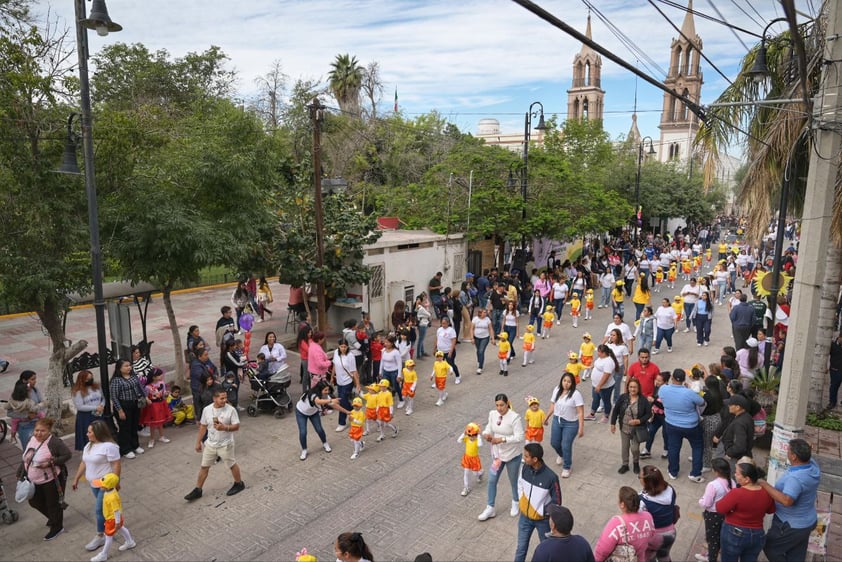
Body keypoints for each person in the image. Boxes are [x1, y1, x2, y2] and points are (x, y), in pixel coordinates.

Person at [760, 439, 821, 562]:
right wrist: (807, 447)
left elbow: (787, 501)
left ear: (794, 457)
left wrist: (764, 484)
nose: (786, 452)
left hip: (790, 525)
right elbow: (808, 455)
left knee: (771, 548)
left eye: (788, 450)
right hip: (807, 522)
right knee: (796, 554)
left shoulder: (796, 479)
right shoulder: (813, 467)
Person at [184, 386, 245, 500]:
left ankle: (239, 483)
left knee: (231, 465)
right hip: (210, 444)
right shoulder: (207, 410)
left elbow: (236, 426)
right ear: (214, 399)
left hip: (226, 444)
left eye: (225, 398)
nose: (225, 401)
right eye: (222, 398)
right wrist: (198, 442)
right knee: (204, 467)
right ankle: (198, 489)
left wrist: (224, 427)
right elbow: (203, 426)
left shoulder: (231, 410)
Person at [18, 418, 71, 541]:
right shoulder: (32, 439)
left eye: (43, 431)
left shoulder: (54, 442)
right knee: (34, 502)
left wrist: (50, 463)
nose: (38, 433)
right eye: (37, 430)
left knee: (53, 504)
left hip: (51, 480)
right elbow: (27, 457)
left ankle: (57, 527)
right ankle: (55, 518)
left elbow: (67, 455)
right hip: (34, 480)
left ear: (49, 431)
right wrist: (20, 471)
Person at [72, 420, 121, 553]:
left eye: (89, 432)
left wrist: (115, 482)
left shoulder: (109, 447)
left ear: (98, 433)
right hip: (93, 484)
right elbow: (84, 462)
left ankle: (101, 535)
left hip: (105, 486)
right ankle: (112, 525)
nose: (87, 434)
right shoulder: (89, 445)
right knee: (105, 510)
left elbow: (116, 464)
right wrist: (76, 478)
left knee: (99, 510)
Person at [478, 393, 525, 521]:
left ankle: (515, 502)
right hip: (497, 456)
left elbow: (520, 437)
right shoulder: (492, 414)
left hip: (512, 455)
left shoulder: (514, 417)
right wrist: (486, 434)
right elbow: (489, 427)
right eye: (497, 405)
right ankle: (490, 507)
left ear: (507, 404)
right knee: (492, 480)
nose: (499, 408)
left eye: (502, 405)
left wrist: (502, 440)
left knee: (513, 480)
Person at [716, 462, 776, 562]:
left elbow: (720, 508)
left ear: (747, 479)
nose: (735, 475)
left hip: (734, 533)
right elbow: (771, 510)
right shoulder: (766, 493)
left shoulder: (737, 493)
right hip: (757, 534)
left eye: (738, 473)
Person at [513, 443, 562, 562]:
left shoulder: (551, 477)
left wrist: (543, 512)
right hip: (525, 518)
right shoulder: (524, 468)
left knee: (547, 550)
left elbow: (557, 501)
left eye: (526, 456)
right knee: (521, 549)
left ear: (535, 459)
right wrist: (522, 501)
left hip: (542, 521)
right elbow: (519, 483)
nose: (524, 458)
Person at [659, 369, 705, 481]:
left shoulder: (663, 389)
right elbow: (702, 402)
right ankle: (695, 474)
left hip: (671, 423)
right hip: (691, 425)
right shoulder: (689, 393)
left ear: (672, 378)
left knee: (673, 448)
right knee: (697, 447)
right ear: (684, 379)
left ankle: (673, 472)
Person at [593, 486, 661, 562]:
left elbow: (602, 550)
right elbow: (652, 536)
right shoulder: (648, 517)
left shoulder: (615, 524)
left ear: (622, 504)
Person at [295, 381, 349, 461]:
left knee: (319, 429)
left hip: (313, 413)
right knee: (303, 432)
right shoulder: (313, 394)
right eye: (325, 390)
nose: (327, 392)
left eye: (328, 390)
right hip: (301, 412)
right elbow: (318, 401)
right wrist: (331, 401)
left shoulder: (326, 396)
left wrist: (347, 412)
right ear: (319, 390)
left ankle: (325, 443)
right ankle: (304, 450)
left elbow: (335, 405)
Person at [88, 473, 136, 562]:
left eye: (101, 485)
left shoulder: (111, 497)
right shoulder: (110, 490)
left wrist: (117, 522)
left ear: (107, 486)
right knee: (122, 528)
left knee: (108, 536)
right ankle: (130, 542)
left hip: (112, 519)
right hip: (114, 519)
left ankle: (103, 554)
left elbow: (116, 510)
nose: (99, 486)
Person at [546, 372, 585, 478]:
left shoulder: (576, 394)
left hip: (570, 423)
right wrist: (547, 417)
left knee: (566, 445)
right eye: (564, 381)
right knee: (554, 442)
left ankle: (567, 467)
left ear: (572, 383)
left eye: (569, 381)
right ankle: (562, 454)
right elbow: (553, 405)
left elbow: (580, 412)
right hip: (557, 420)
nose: (566, 383)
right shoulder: (557, 390)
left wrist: (581, 428)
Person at [610, 378, 652, 475]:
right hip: (624, 428)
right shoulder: (623, 397)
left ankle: (636, 462)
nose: (633, 389)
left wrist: (639, 421)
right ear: (628, 388)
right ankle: (625, 464)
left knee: (635, 448)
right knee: (625, 447)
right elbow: (616, 410)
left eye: (635, 387)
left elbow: (649, 414)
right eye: (631, 387)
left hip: (636, 429)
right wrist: (613, 424)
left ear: (638, 388)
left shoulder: (643, 400)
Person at [697, 458, 735, 562]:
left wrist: (700, 500)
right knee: (721, 537)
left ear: (716, 471)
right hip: (726, 514)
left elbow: (706, 503)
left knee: (712, 540)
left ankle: (711, 558)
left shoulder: (713, 485)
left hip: (713, 516)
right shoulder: (732, 482)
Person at [639, 465, 678, 562]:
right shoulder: (670, 489)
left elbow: (641, 521)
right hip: (670, 533)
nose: (639, 479)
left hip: (654, 537)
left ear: (647, 482)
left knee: (649, 558)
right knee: (664, 556)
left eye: (640, 477)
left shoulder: (642, 501)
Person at [109, 359, 146, 459]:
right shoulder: (116, 380)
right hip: (123, 405)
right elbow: (114, 397)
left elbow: (140, 387)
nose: (129, 367)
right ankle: (126, 449)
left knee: (134, 425)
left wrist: (145, 396)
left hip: (134, 404)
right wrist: (120, 410)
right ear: (119, 368)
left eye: (129, 365)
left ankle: (135, 445)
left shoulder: (133, 376)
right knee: (125, 428)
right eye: (126, 366)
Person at [713, 394, 754, 475]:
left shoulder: (739, 423)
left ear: (738, 407)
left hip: (736, 458)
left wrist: (729, 453)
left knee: (733, 477)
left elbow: (740, 446)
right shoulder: (747, 416)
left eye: (731, 404)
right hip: (743, 455)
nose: (728, 406)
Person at [332, 340, 361, 432]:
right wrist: (332, 377)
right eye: (341, 346)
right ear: (339, 346)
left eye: (345, 347)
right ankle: (354, 411)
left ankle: (341, 423)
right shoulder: (336, 353)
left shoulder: (350, 356)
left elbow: (354, 371)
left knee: (342, 401)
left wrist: (358, 384)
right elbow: (334, 365)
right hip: (339, 381)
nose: (343, 348)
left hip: (348, 381)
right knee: (344, 402)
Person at [586, 344, 620, 422]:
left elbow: (606, 375)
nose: (597, 353)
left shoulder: (608, 362)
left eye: (599, 352)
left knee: (606, 401)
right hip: (595, 385)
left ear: (604, 353)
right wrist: (592, 367)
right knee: (595, 399)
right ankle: (592, 414)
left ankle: (606, 416)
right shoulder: (600, 358)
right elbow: (597, 365)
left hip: (605, 387)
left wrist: (599, 386)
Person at [8, 379, 43, 448]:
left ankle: (13, 437)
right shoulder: (26, 401)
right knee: (30, 447)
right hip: (25, 425)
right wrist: (27, 416)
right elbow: (9, 413)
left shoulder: (34, 391)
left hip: (30, 423)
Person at [457, 422, 483, 496]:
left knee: (475, 474)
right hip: (467, 458)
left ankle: (480, 473)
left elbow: (480, 445)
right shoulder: (467, 439)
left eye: (473, 435)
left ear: (476, 435)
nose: (471, 437)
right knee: (466, 473)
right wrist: (464, 434)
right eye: (469, 435)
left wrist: (478, 436)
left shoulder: (477, 441)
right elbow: (458, 441)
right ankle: (466, 488)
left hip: (474, 459)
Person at [435, 317, 461, 383]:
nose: (443, 325)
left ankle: (458, 376)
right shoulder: (439, 330)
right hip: (440, 351)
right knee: (439, 365)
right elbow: (437, 339)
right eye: (442, 323)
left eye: (445, 323)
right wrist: (435, 348)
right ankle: (439, 380)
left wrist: (451, 351)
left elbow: (453, 341)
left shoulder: (451, 330)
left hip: (448, 351)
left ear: (448, 323)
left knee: (451, 364)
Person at [471, 308, 494, 374]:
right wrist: (472, 338)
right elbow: (471, 329)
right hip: (476, 337)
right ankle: (479, 361)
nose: (485, 313)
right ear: (480, 313)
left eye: (485, 312)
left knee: (481, 351)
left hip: (485, 337)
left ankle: (480, 367)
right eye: (484, 312)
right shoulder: (475, 319)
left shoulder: (487, 320)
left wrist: (492, 338)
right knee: (478, 351)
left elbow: (490, 329)